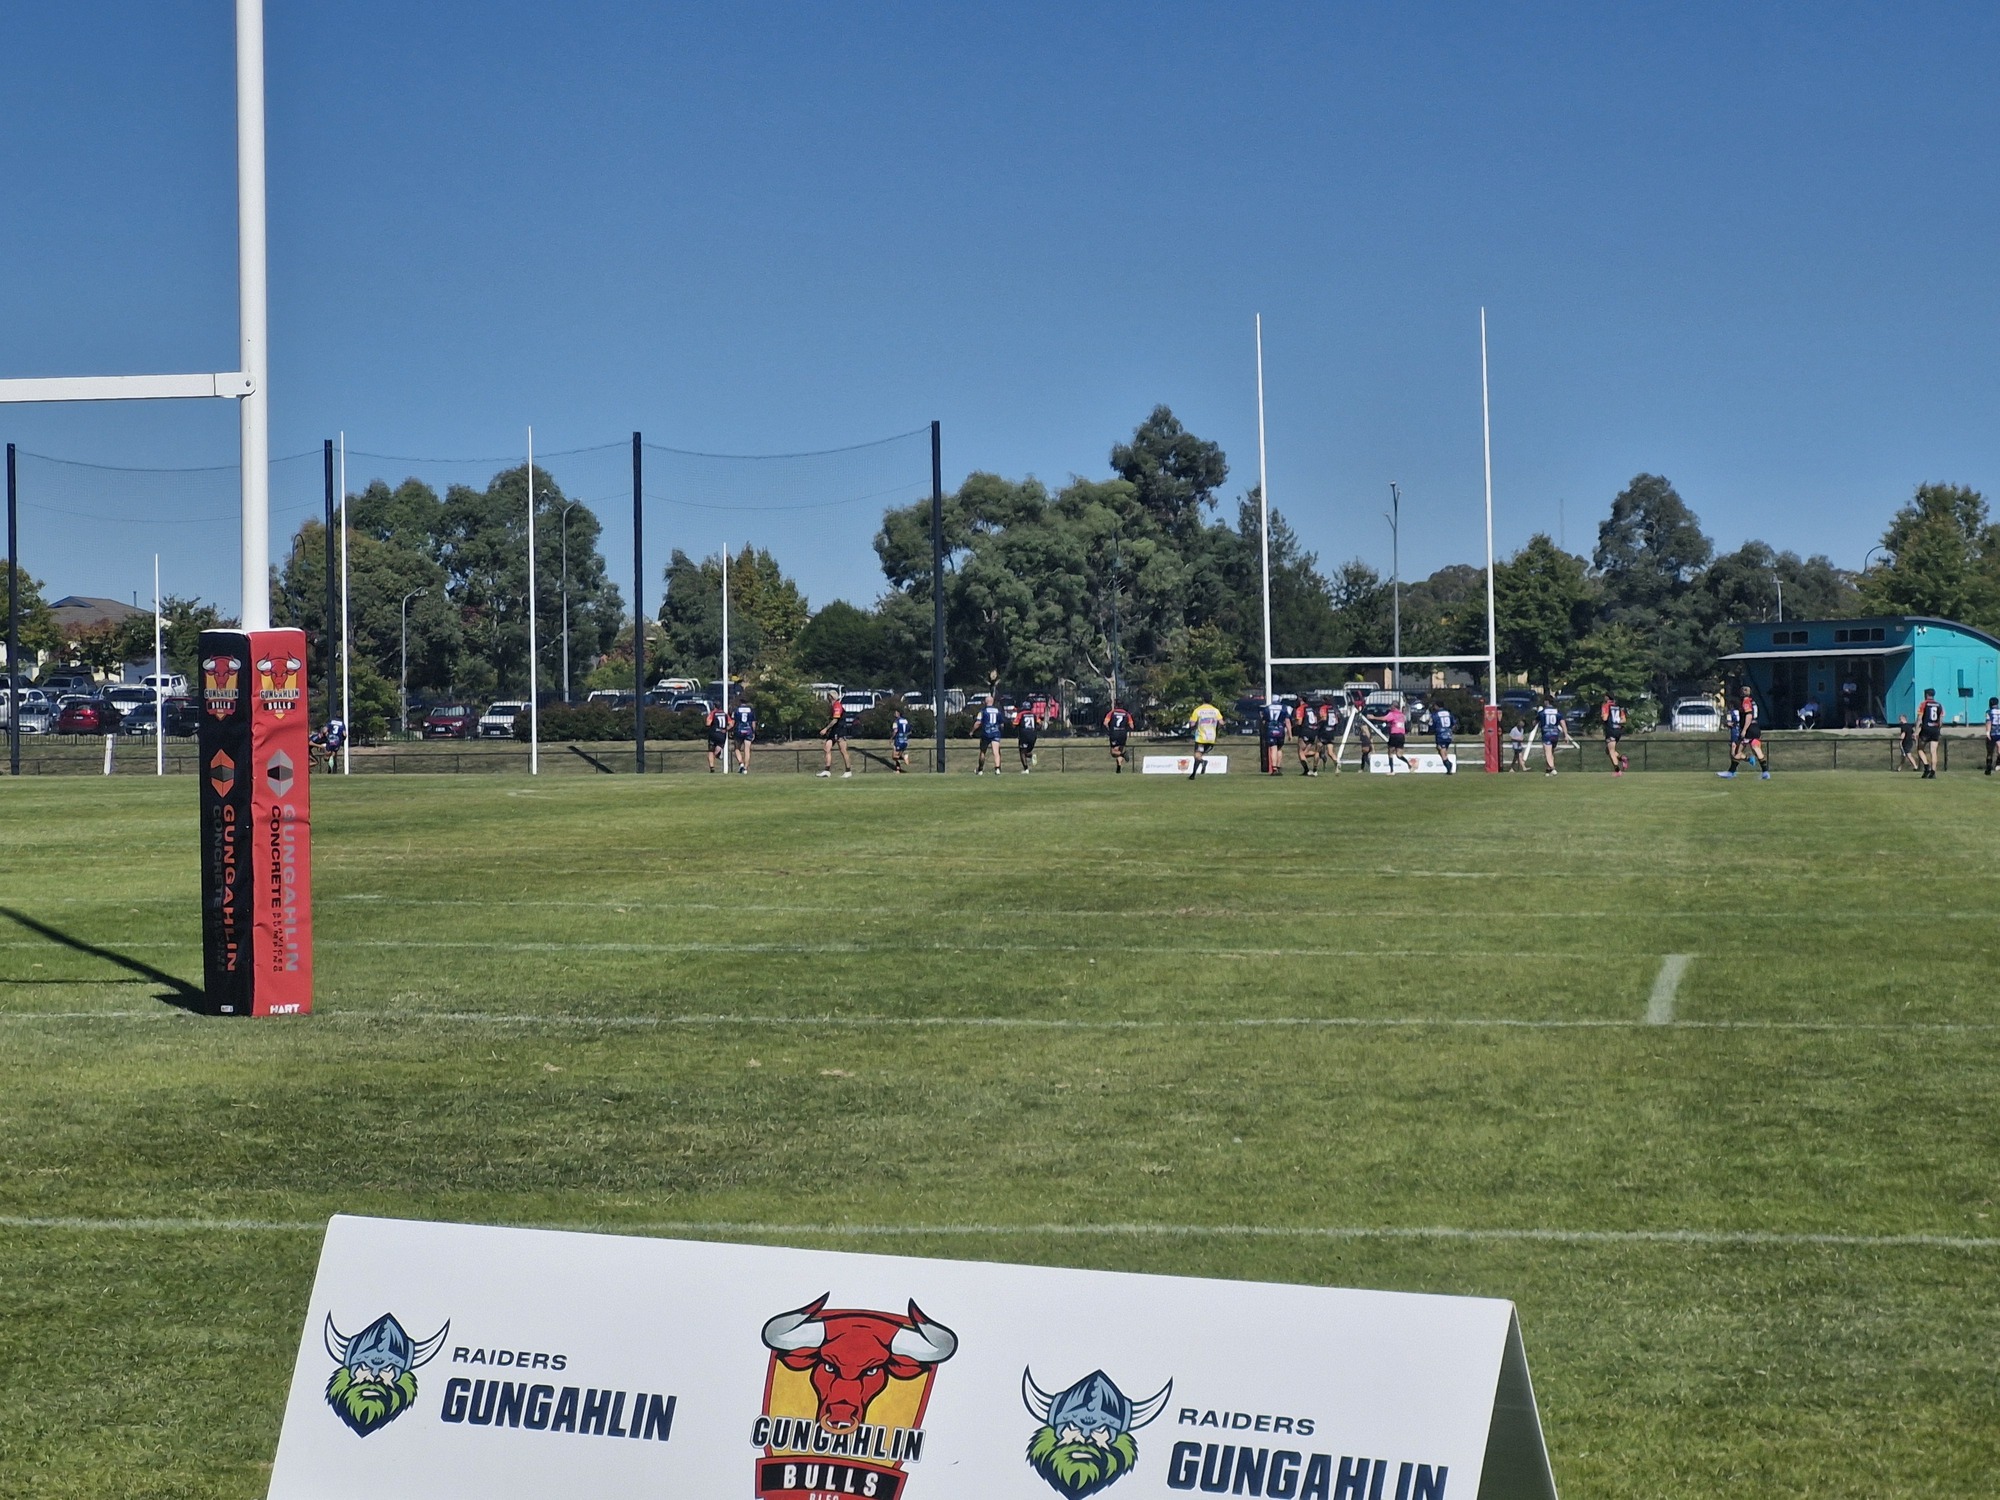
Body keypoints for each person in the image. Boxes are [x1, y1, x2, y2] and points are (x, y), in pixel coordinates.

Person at [1721, 691, 1768, 779]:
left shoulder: (1746, 702)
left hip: (1749, 730)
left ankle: (1731, 772)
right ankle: (1765, 772)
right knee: (1756, 749)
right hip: (1755, 728)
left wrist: (1744, 730)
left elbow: (1749, 716)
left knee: (1737, 751)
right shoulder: (1753, 702)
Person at [817, 695, 853, 778]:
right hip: (834, 731)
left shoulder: (837, 705)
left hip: (839, 730)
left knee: (843, 750)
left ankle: (848, 771)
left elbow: (835, 719)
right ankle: (827, 770)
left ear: (831, 697)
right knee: (827, 748)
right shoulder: (833, 706)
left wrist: (825, 729)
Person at [1187, 697, 1223, 777]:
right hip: (1211, 738)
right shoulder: (1215, 710)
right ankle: (1193, 775)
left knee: (1197, 755)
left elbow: (1192, 724)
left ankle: (1201, 764)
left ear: (1202, 700)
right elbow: (1221, 722)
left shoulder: (1198, 710)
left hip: (1201, 738)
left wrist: (1191, 723)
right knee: (1199, 755)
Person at [1536, 696, 1569, 775]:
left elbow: (1535, 722)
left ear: (1546, 702)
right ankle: (1548, 770)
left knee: (1547, 752)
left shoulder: (1542, 712)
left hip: (1546, 734)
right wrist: (1566, 735)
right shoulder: (1557, 712)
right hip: (1555, 734)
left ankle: (1553, 768)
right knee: (1551, 753)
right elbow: (1563, 723)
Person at [973, 694, 1006, 775]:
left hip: (986, 733)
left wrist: (972, 731)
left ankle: (980, 770)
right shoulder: (997, 711)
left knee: (983, 751)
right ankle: (997, 769)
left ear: (985, 702)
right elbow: (1002, 724)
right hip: (996, 733)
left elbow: (978, 722)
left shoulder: (983, 711)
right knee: (996, 752)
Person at [1917, 687, 1944, 778]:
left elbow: (1920, 718)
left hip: (1926, 729)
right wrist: (1938, 729)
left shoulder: (1924, 704)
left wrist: (1916, 731)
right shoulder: (1939, 705)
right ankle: (1933, 772)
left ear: (1927, 695)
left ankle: (1926, 766)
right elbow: (1940, 720)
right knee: (1933, 751)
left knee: (1920, 749)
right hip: (1935, 729)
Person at [1601, 693, 1630, 775]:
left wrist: (1603, 717)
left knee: (1611, 751)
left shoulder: (1606, 706)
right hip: (1618, 730)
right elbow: (1624, 720)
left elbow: (1605, 718)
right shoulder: (1618, 707)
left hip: (1611, 730)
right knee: (1608, 750)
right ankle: (1622, 758)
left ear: (1607, 697)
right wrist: (1616, 722)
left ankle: (1617, 771)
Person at [1103, 701, 1135, 773]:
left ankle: (1123, 754)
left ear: (1116, 705)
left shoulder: (1112, 713)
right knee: (1119, 750)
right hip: (1123, 734)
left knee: (1113, 752)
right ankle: (1119, 768)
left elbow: (1105, 723)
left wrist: (1109, 729)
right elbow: (1132, 726)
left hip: (1114, 733)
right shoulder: (1127, 714)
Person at [1383, 702, 1415, 773]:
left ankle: (1391, 770)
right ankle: (1409, 764)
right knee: (1399, 755)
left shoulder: (1392, 714)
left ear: (1394, 707)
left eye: (1391, 706)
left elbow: (1384, 718)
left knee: (1390, 752)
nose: (1390, 708)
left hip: (1394, 734)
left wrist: (1373, 717)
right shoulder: (1402, 715)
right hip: (1401, 735)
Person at [1261, 697, 1288, 774]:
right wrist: (1289, 733)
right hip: (1280, 728)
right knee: (1279, 748)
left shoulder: (1267, 708)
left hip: (1270, 728)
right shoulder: (1283, 707)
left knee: (1273, 748)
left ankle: (1274, 768)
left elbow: (1264, 720)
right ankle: (1278, 766)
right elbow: (1287, 720)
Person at [1292, 697, 1317, 775]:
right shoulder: (1311, 708)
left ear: (1301, 700)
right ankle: (1317, 754)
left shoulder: (1300, 708)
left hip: (1305, 731)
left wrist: (1293, 724)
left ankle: (1307, 770)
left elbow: (1299, 722)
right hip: (1313, 731)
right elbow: (1315, 719)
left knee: (1301, 752)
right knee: (1305, 752)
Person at [731, 695, 756, 774]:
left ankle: (741, 763)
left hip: (739, 730)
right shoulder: (751, 710)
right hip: (748, 730)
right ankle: (745, 768)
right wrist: (754, 731)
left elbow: (733, 721)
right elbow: (753, 722)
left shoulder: (737, 710)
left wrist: (732, 730)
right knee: (747, 749)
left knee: (737, 748)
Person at [704, 700, 730, 772]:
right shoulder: (725, 714)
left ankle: (712, 767)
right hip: (722, 735)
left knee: (711, 751)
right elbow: (731, 723)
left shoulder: (713, 713)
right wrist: (726, 729)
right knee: (717, 749)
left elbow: (708, 723)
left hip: (714, 734)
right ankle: (718, 754)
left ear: (714, 706)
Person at [1315, 700, 1340, 773]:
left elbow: (1324, 718)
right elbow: (1336, 721)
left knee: (1317, 751)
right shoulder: (1334, 709)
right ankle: (1337, 764)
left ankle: (1315, 769)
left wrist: (1318, 722)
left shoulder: (1323, 708)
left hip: (1324, 731)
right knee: (1330, 752)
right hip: (1331, 732)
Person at [1431, 702, 1456, 773]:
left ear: (1436, 706)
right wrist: (1450, 730)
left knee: (1441, 749)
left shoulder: (1436, 714)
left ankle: (1448, 764)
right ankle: (1447, 763)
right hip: (1448, 733)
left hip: (1440, 734)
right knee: (1443, 750)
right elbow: (1454, 723)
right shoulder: (1448, 713)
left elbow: (1433, 724)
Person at [1016, 707, 1040, 773]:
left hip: (1024, 735)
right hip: (1033, 735)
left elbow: (1014, 724)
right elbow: (1039, 723)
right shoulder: (1034, 714)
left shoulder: (1021, 714)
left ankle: (1026, 769)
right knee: (1026, 752)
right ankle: (1031, 756)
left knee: (1022, 752)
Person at [890, 707, 912, 773]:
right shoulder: (906, 721)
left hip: (898, 740)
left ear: (898, 713)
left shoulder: (896, 721)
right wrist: (905, 736)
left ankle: (904, 757)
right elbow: (910, 731)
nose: (894, 714)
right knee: (898, 755)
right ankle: (898, 770)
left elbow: (895, 730)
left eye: (896, 712)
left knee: (894, 756)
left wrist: (891, 738)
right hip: (905, 740)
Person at [1986, 697, 2000, 777]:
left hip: (1992, 733)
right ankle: (1998, 764)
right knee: (1999, 750)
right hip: (1999, 732)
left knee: (1990, 752)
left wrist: (1987, 732)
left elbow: (1989, 722)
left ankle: (1988, 768)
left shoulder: (1989, 712)